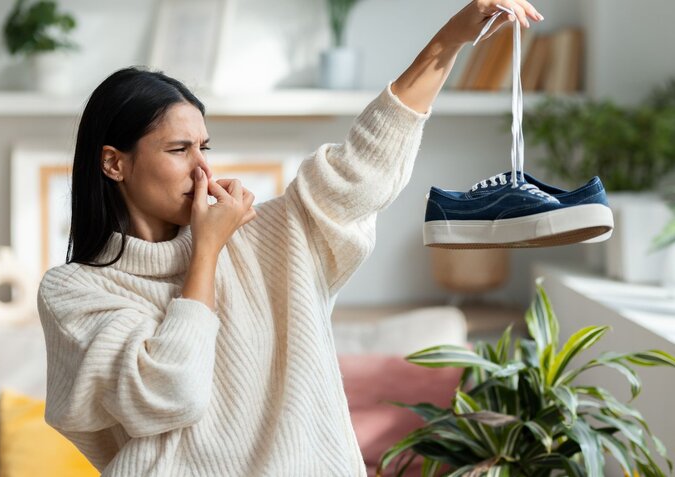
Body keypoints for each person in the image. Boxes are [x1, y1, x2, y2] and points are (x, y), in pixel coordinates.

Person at [36, 1, 543, 475]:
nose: (202, 169)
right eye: (178, 149)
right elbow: (169, 393)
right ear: (113, 163)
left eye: (205, 147)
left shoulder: (264, 236)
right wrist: (207, 250)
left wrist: (448, 41)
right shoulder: (75, 291)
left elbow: (361, 171)